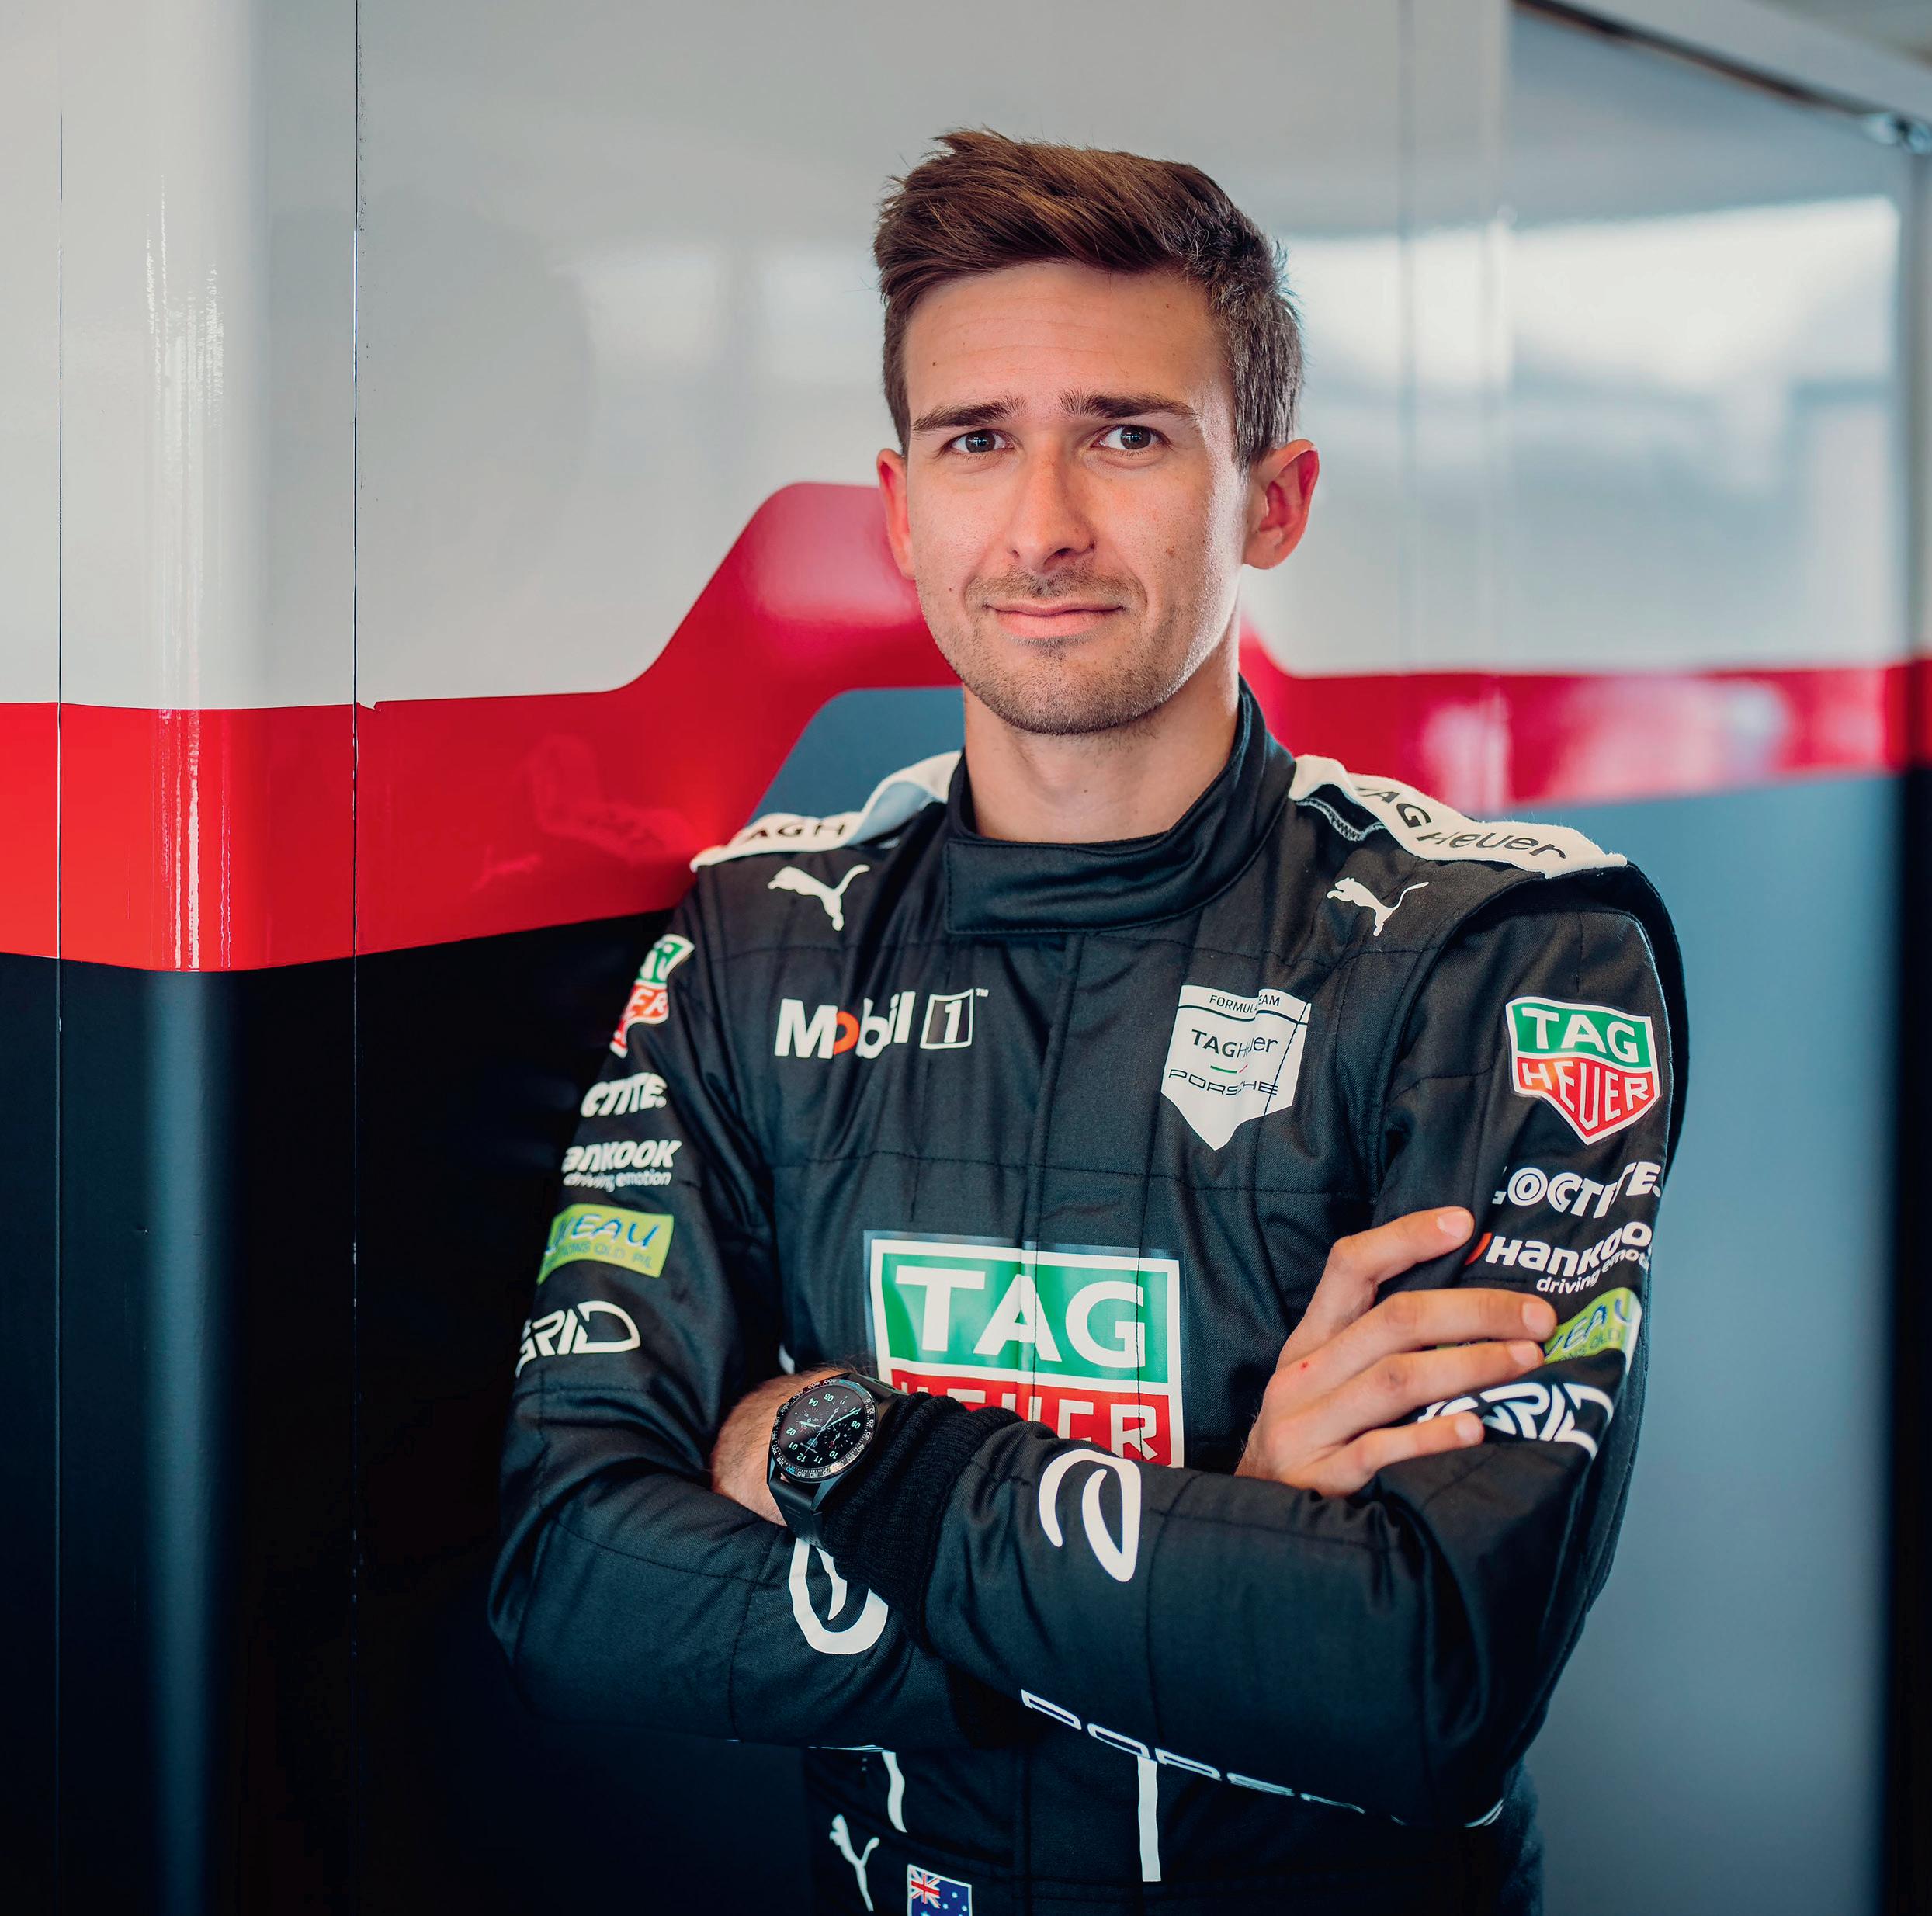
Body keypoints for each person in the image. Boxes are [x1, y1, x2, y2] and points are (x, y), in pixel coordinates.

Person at [491, 130, 1686, 1914]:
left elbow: (1427, 1672)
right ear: (900, 508)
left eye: (1127, 435)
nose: (1042, 523)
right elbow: (573, 1579)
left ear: (1272, 498)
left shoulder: (1503, 951)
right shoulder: (758, 940)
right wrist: (1217, 1546)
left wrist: (840, 1447)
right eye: (977, 441)